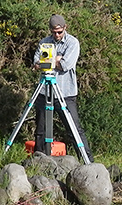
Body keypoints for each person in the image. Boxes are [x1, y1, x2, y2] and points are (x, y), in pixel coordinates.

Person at [32, 14, 94, 163]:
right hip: (45, 91)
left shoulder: (73, 43)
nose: (57, 35)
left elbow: (66, 65)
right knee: (41, 130)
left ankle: (88, 162)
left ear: (65, 28)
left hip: (65, 92)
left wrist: (48, 61)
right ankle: (39, 162)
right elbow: (36, 64)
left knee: (74, 129)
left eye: (59, 32)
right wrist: (57, 59)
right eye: (54, 32)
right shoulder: (44, 43)